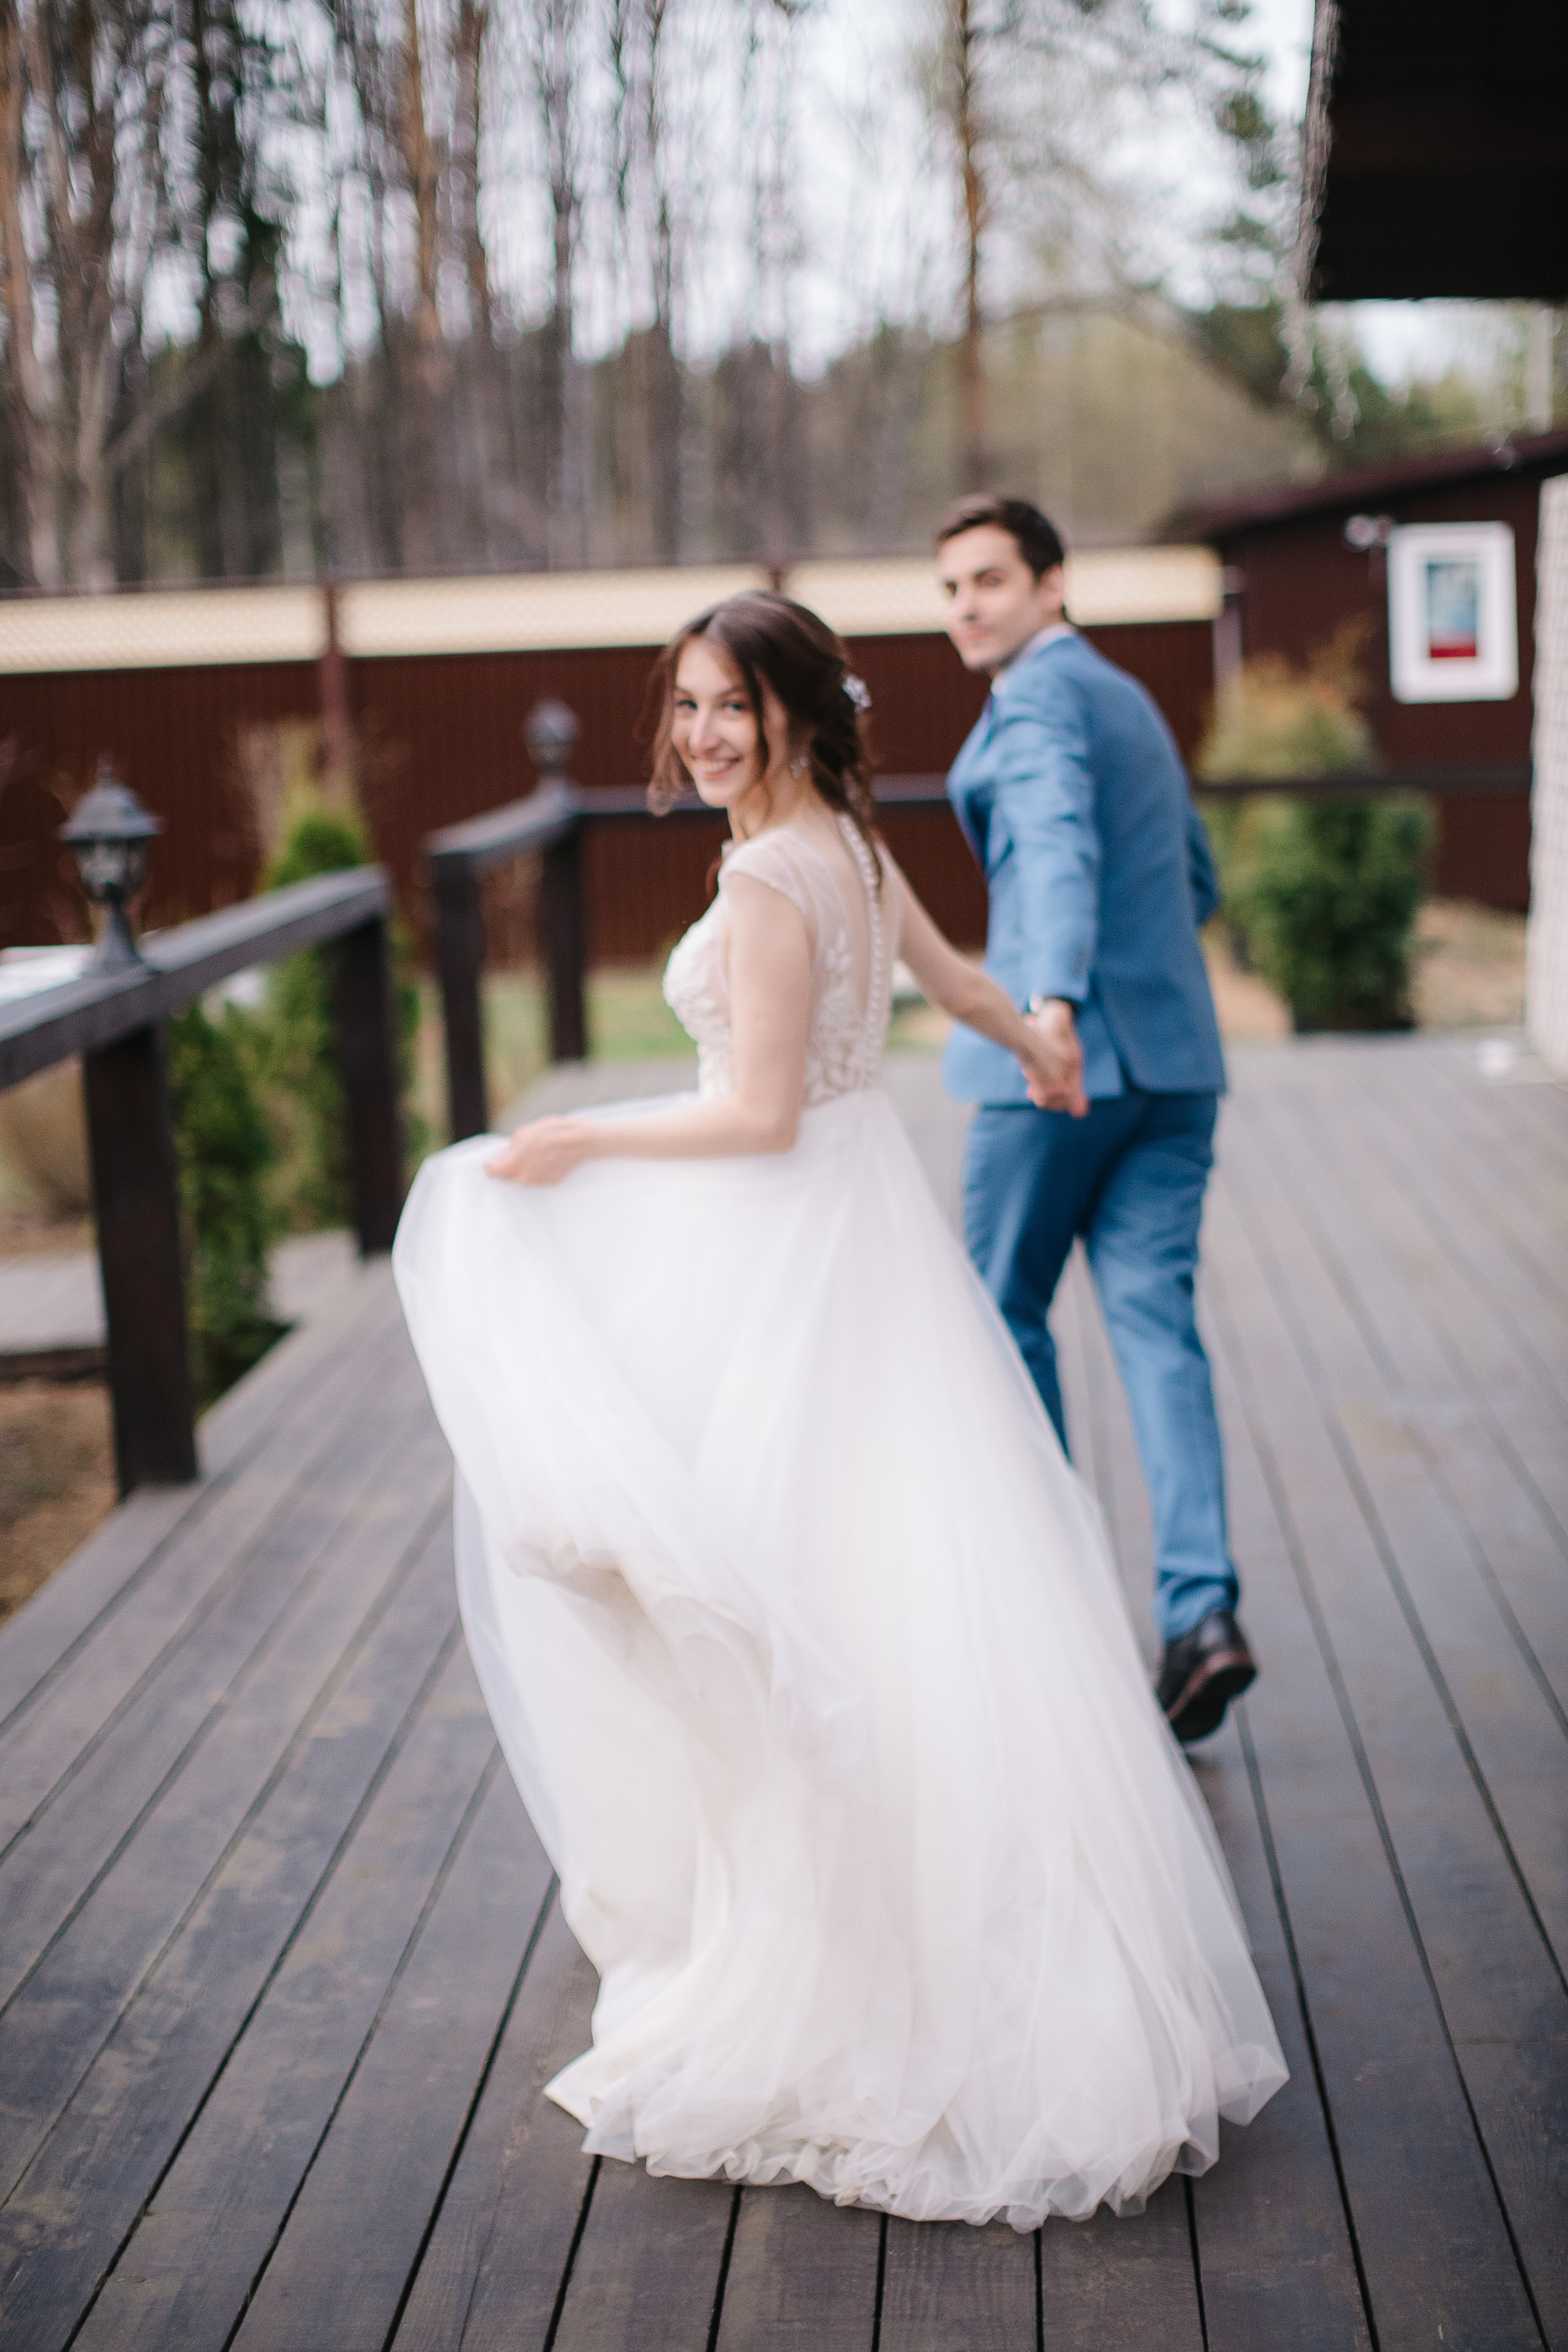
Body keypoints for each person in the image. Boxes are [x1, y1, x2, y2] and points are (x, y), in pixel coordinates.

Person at [393, 591, 1285, 2231]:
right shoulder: (854, 844)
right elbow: (950, 973)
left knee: (786, 1573)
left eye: (730, 704)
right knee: (877, 1578)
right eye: (685, 707)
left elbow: (754, 1121)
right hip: (862, 1240)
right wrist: (1035, 1036)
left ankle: (848, 1960)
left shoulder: (768, 875)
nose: (701, 734)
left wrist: (579, 1138)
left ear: (798, 711)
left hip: (799, 1244)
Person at [936, 494, 1257, 1746]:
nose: (966, 605)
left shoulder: (1030, 700)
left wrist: (1052, 1005)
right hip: (1175, 1068)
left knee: (998, 1315)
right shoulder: (1126, 698)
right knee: (1155, 1332)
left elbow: (1060, 846)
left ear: (1052, 585)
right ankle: (1200, 1615)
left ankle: (1060, 1615)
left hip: (1057, 1067)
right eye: (950, 586)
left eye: (989, 581)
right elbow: (1193, 877)